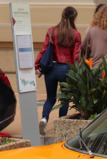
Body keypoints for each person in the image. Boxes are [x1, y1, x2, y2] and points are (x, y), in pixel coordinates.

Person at [34, 6, 81, 135]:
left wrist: (37, 65)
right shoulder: (76, 35)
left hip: (51, 69)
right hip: (66, 69)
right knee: (65, 99)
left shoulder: (51, 31)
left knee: (50, 98)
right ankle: (61, 124)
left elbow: (44, 50)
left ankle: (44, 118)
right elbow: (76, 57)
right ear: (74, 18)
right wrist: (79, 72)